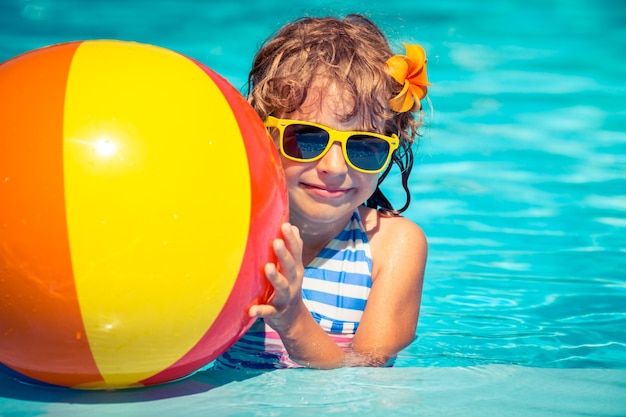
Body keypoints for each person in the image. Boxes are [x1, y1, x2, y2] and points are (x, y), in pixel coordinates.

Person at [214, 14, 430, 369]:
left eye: (363, 146)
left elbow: (363, 379)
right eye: (306, 139)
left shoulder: (390, 247)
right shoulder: (228, 232)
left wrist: (292, 318)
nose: (334, 167)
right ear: (262, 135)